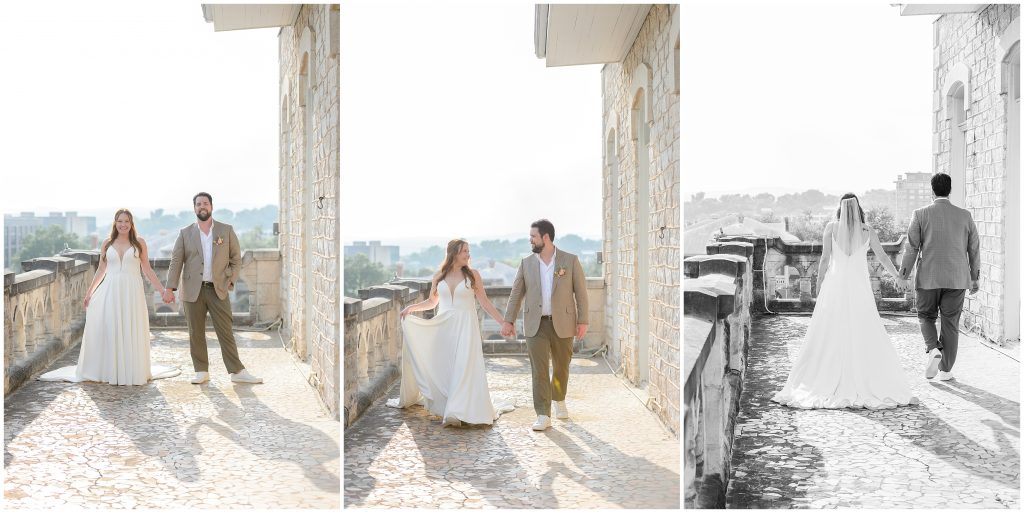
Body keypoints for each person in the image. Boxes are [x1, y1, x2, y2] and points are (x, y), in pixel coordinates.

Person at [772, 194, 918, 409]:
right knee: (862, 327)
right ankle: (865, 375)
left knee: (830, 329)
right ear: (858, 208)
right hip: (859, 287)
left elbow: (824, 259)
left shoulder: (831, 227)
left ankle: (829, 375)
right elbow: (882, 257)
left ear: (840, 208)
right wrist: (897, 276)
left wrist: (819, 284)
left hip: (835, 285)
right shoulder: (867, 230)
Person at [39, 209, 180, 385]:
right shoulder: (107, 243)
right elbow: (101, 269)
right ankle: (110, 370)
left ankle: (131, 371)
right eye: (120, 221)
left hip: (132, 293)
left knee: (130, 327)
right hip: (110, 291)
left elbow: (147, 269)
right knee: (111, 328)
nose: (123, 224)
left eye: (127, 221)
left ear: (131, 223)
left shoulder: (139, 243)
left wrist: (162, 290)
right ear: (115, 223)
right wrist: (90, 292)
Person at [387, 239, 515, 427]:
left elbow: (485, 303)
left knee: (464, 366)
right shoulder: (439, 276)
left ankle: (458, 410)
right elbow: (432, 302)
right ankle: (449, 405)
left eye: (468, 251)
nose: (468, 254)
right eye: (465, 251)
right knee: (446, 368)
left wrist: (503, 322)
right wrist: (411, 308)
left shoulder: (473, 275)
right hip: (444, 328)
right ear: (454, 252)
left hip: (466, 328)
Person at [164, 192, 262, 384]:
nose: (202, 206)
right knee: (196, 331)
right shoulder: (185, 233)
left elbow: (236, 259)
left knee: (225, 330)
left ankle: (237, 372)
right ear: (194, 208)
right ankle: (201, 371)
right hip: (193, 290)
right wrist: (170, 287)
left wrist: (231, 280)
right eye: (198, 204)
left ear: (211, 207)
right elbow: (176, 261)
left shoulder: (226, 230)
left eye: (205, 203)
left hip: (218, 288)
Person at [502, 219, 589, 431]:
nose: (530, 240)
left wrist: (583, 320)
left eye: (533, 236)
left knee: (561, 367)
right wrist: (508, 320)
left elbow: (581, 293)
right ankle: (542, 414)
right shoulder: (526, 263)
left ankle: (559, 399)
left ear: (546, 237)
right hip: (535, 325)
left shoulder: (570, 261)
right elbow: (516, 293)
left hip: (564, 323)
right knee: (539, 370)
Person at [900, 173, 980, 381]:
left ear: (932, 191)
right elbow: (974, 248)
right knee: (950, 322)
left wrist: (903, 275)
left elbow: (911, 248)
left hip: (928, 277)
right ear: (949, 190)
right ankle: (945, 370)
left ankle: (933, 348)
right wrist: (975, 277)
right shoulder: (965, 216)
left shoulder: (919, 214)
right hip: (957, 278)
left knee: (926, 316)